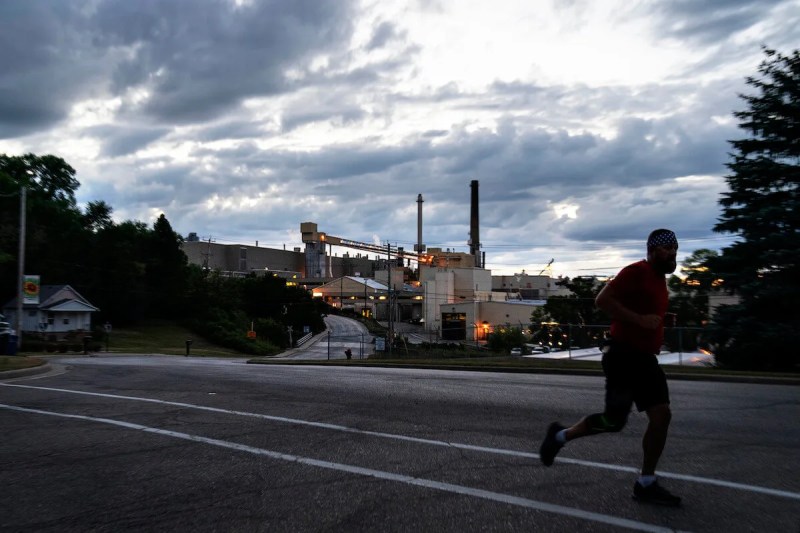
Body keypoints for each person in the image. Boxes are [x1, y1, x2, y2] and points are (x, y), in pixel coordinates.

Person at [539, 229, 681, 506]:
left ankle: (646, 482)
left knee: (662, 416)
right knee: (613, 422)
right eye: (666, 249)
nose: (672, 253)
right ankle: (559, 435)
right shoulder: (636, 271)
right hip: (623, 357)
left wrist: (663, 319)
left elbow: (645, 311)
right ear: (652, 251)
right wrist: (640, 320)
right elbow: (602, 300)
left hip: (645, 359)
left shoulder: (659, 279)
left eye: (675, 248)